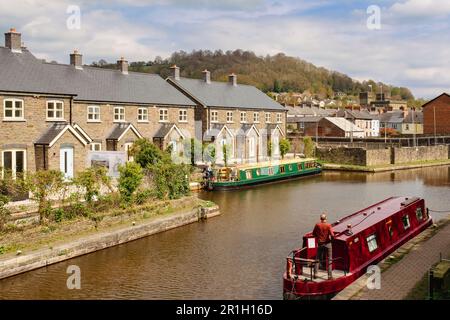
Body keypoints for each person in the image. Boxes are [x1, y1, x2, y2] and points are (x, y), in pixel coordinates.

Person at [312, 213, 335, 279]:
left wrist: (319, 237)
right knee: (330, 259)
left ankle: (315, 274)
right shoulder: (328, 225)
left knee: (317, 259)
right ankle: (329, 276)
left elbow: (313, 233)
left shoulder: (317, 225)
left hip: (320, 244)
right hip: (328, 244)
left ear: (320, 218)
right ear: (326, 218)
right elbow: (332, 235)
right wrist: (332, 240)